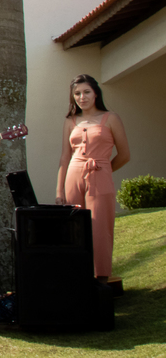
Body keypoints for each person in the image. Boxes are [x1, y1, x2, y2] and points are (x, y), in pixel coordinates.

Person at [55, 74, 130, 281]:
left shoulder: (111, 118)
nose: (82, 97)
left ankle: (101, 282)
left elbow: (125, 155)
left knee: (99, 229)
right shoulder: (70, 121)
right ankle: (78, 279)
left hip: (99, 175)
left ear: (96, 93)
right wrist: (59, 191)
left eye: (86, 92)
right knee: (75, 229)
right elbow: (64, 157)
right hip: (73, 175)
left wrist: (104, 170)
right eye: (77, 94)